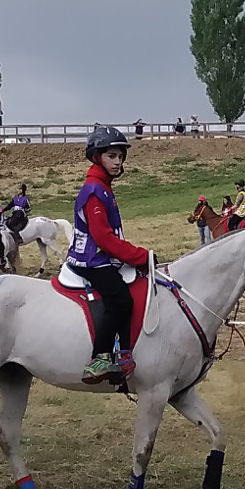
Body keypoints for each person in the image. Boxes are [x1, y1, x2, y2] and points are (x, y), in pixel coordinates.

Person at [68, 126, 151, 385]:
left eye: (120, 157)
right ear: (97, 157)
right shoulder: (94, 189)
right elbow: (103, 238)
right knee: (121, 300)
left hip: (102, 256)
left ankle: (124, 352)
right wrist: (140, 256)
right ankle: (99, 359)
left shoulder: (103, 186)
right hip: (90, 259)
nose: (118, 162)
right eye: (112, 156)